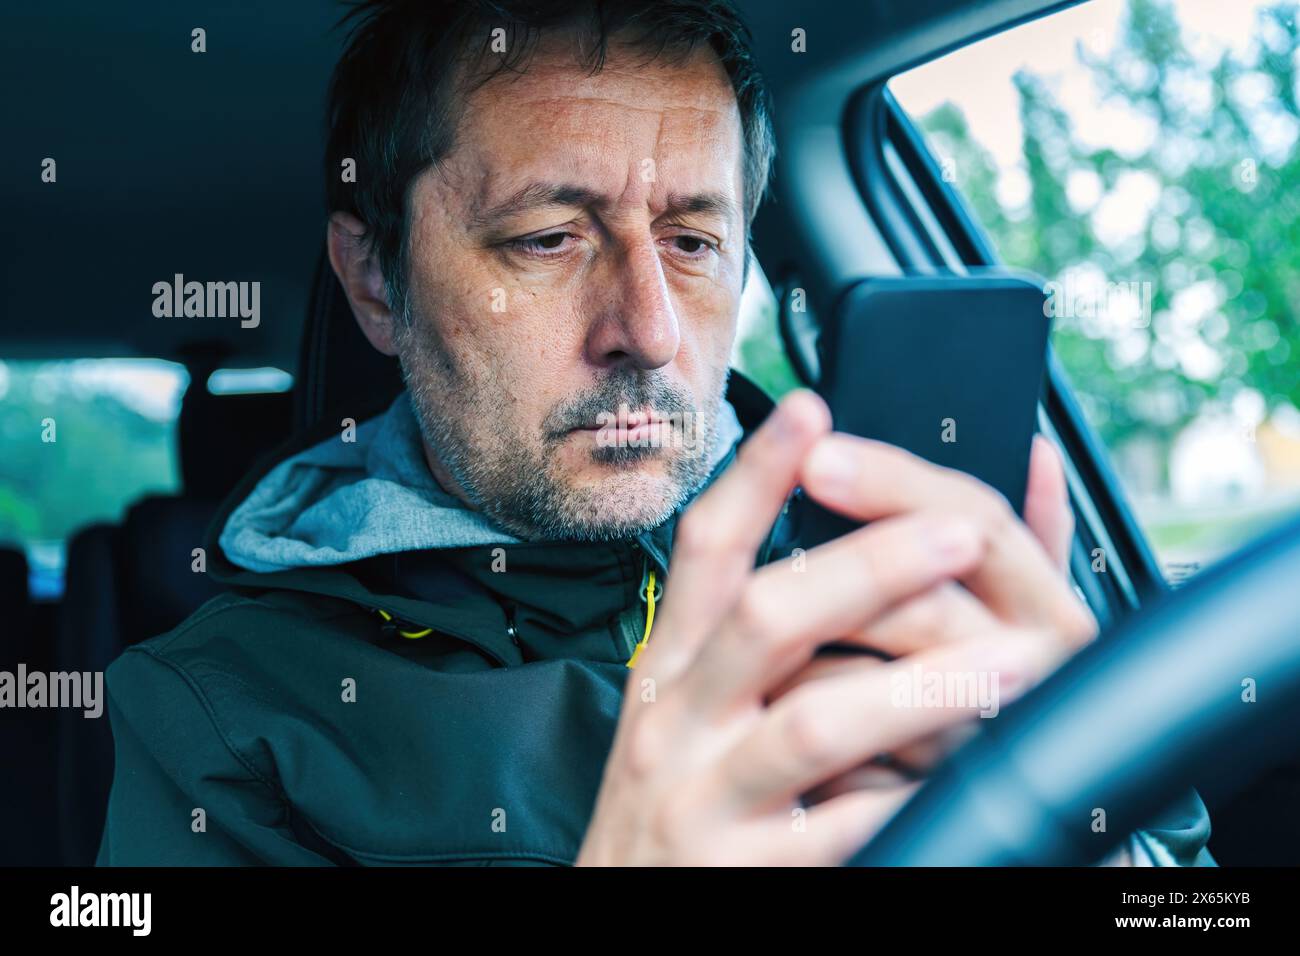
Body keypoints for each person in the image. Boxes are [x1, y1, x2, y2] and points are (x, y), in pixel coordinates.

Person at [96, 0, 1212, 866]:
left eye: (690, 240)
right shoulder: (221, 709)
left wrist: (1095, 808)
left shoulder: (888, 559)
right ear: (377, 280)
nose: (647, 328)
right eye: (546, 238)